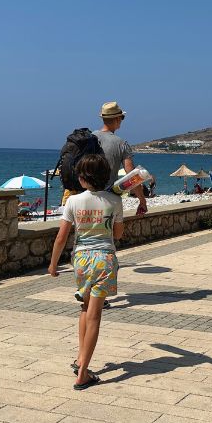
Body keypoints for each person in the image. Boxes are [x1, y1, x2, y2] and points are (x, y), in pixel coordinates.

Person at [48, 154, 124, 390]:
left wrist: (52, 265)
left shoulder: (73, 201)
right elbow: (119, 235)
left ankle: (81, 358)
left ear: (82, 178)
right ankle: (82, 374)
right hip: (104, 259)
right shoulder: (114, 201)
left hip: (80, 260)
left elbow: (61, 237)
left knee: (84, 308)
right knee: (95, 315)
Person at [94, 101, 148, 217]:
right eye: (122, 118)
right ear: (117, 119)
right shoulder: (121, 144)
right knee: (111, 234)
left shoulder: (90, 138)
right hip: (108, 199)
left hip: (85, 197)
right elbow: (132, 175)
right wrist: (142, 200)